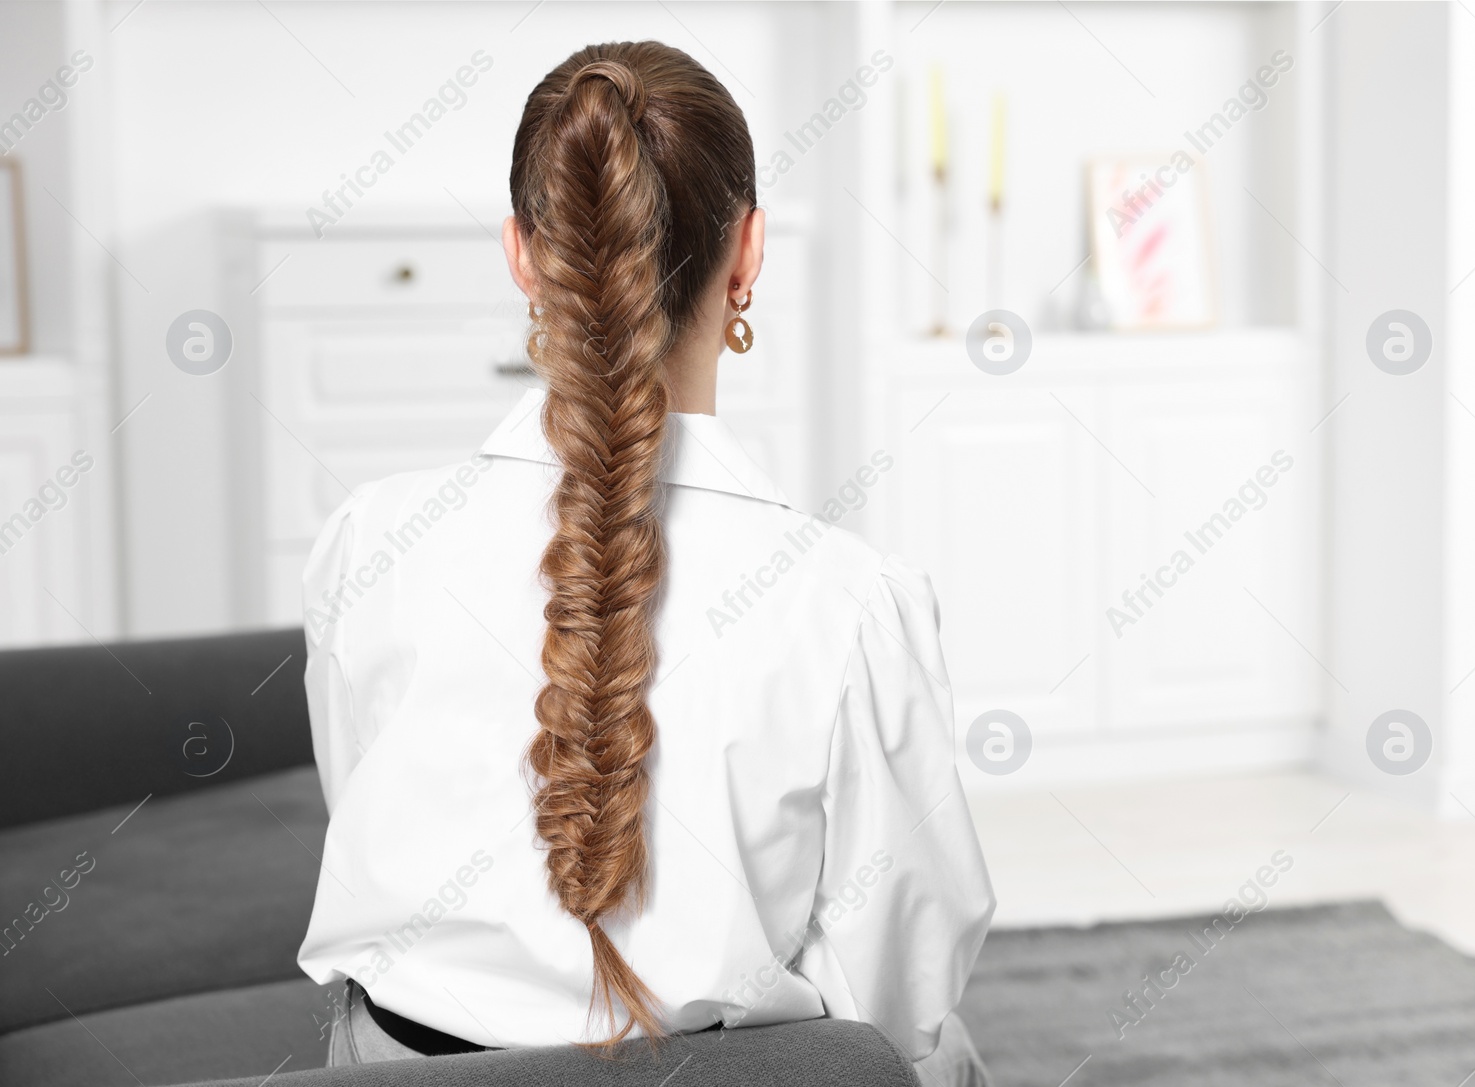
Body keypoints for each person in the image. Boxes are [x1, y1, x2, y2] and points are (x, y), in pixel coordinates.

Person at [295, 40, 996, 1085]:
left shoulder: (370, 539)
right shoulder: (844, 601)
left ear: (524, 256)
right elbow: (896, 986)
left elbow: (365, 808)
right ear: (749, 251)